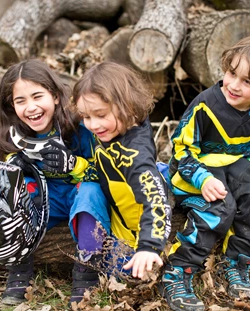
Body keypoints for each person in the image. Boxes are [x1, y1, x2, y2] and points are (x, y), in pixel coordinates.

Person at [161, 35, 250, 311]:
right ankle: (178, 270)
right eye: (232, 73)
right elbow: (182, 150)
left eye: (247, 81)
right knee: (220, 208)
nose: (233, 85)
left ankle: (236, 263)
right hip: (195, 170)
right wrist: (202, 178)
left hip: (237, 166)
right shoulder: (205, 105)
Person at [0, 59, 111, 305]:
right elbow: (8, 166)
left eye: (38, 96)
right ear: (11, 105)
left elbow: (107, 172)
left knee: (90, 191)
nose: (31, 107)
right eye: (20, 101)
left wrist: (73, 165)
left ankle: (86, 270)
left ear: (56, 96)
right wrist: (17, 163)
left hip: (82, 196)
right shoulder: (15, 132)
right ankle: (19, 268)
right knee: (16, 188)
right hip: (48, 200)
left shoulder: (81, 126)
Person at [71, 61, 172, 280]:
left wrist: (149, 246)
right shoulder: (114, 129)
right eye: (86, 117)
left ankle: (91, 268)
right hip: (118, 208)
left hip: (135, 232)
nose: (93, 125)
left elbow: (156, 201)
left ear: (128, 106)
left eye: (100, 115)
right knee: (88, 189)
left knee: (121, 274)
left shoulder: (135, 155)